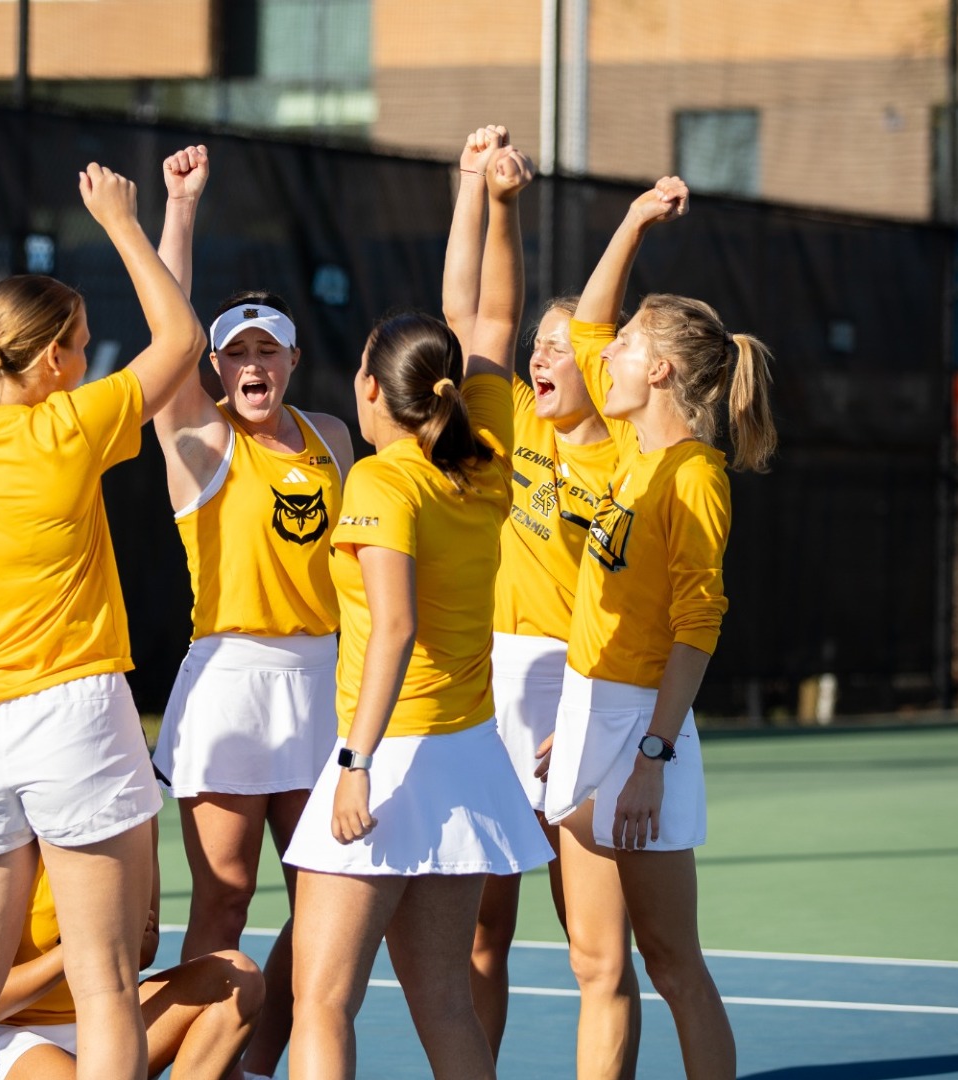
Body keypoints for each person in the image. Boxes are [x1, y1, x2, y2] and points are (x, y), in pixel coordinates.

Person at [0, 162, 206, 1080]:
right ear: (55, 358)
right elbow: (181, 335)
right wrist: (122, 222)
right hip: (72, 715)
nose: (91, 363)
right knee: (104, 982)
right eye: (85, 347)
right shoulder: (70, 428)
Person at [281, 133, 555, 1080]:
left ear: (367, 389)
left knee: (322, 1001)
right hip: (468, 756)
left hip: (391, 757)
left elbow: (392, 627)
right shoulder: (482, 460)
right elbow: (490, 312)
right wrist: (489, 195)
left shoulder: (382, 484)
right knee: (443, 998)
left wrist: (353, 765)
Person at [546, 176, 775, 1080]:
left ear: (664, 372)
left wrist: (649, 754)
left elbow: (697, 624)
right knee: (594, 964)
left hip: (646, 724)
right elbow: (593, 327)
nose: (605, 359)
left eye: (632, 350)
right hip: (591, 705)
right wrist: (635, 222)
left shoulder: (690, 476)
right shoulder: (636, 460)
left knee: (672, 965)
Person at [146, 143, 355, 1080]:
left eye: (266, 347)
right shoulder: (195, 439)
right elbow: (166, 331)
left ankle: (262, 1065)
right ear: (217, 368)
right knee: (222, 903)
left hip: (324, 681)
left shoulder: (334, 438)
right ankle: (204, 1066)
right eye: (234, 352)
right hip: (231, 677)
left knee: (329, 905)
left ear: (292, 359)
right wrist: (179, 210)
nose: (250, 363)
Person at [441, 129, 645, 1075]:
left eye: (566, 347)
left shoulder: (617, 457)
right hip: (492, 690)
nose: (541, 355)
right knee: (484, 929)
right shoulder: (504, 420)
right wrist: (490, 198)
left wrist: (589, 708)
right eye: (540, 347)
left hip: (579, 687)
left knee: (595, 944)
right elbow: (480, 309)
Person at [0, 824, 265, 1080]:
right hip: (5, 1032)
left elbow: (142, 955)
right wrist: (84, 947)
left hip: (106, 1016)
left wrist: (136, 941)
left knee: (240, 979)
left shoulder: (136, 817)